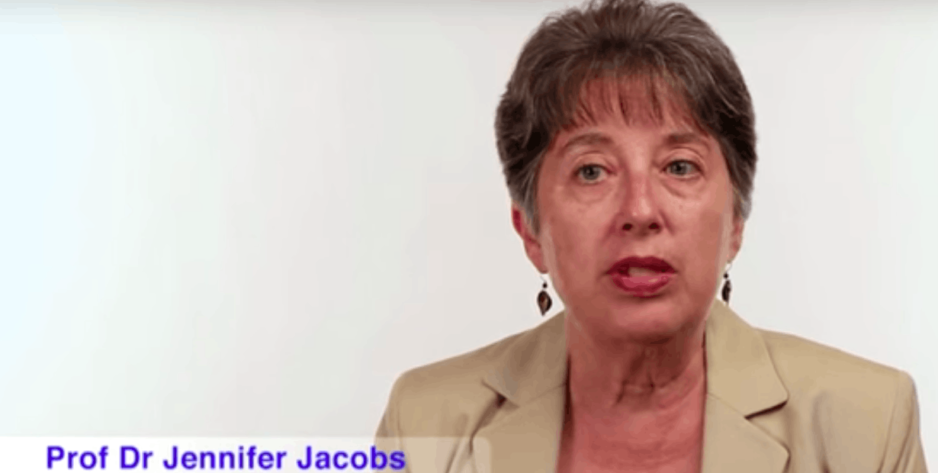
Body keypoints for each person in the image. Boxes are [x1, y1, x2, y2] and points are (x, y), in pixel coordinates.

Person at [375, 0, 928, 471]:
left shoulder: (868, 424)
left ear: (735, 222)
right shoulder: (422, 423)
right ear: (530, 230)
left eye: (680, 166)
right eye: (592, 170)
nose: (640, 211)